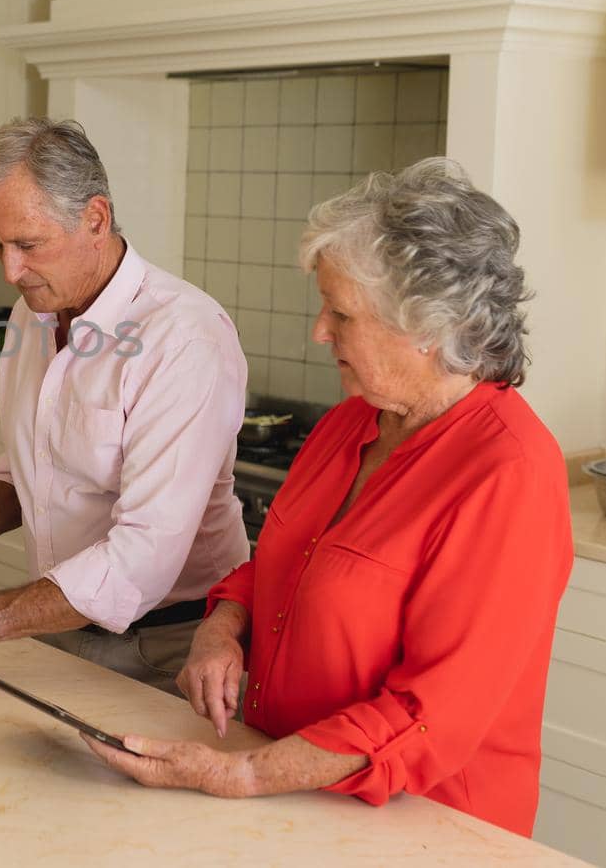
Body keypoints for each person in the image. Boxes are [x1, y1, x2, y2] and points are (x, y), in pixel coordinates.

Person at [83, 157, 573, 837]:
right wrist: (221, 627)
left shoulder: (508, 473)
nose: (319, 330)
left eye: (341, 312)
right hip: (294, 792)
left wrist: (244, 774)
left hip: (428, 827)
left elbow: (428, 716)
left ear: (427, 328)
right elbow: (286, 563)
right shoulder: (355, 417)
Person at [0, 117, 250, 690]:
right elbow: (33, 464)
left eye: (28, 244)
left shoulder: (184, 338)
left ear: (95, 218)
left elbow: (144, 555)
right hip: (58, 626)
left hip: (170, 649)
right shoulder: (32, 314)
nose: (11, 271)